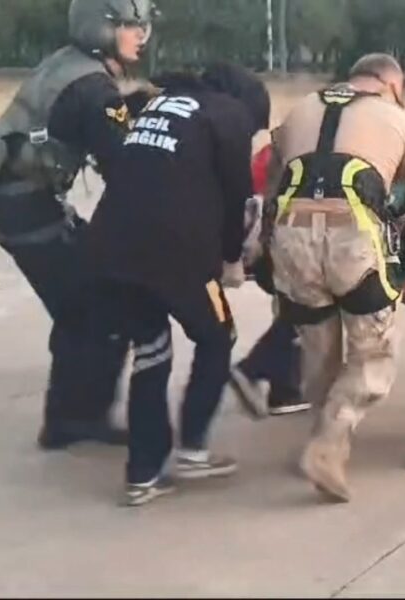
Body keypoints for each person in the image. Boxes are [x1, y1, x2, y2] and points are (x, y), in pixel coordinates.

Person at [0, 0, 155, 450]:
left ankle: (67, 418)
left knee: (79, 307)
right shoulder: (94, 88)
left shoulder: (68, 63)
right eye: (129, 25)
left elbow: (78, 121)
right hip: (28, 210)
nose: (140, 34)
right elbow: (123, 167)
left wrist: (132, 106)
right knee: (106, 304)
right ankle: (78, 419)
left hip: (16, 203)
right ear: (101, 29)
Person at [263, 53, 405, 502]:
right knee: (372, 354)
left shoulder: (300, 109)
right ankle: (329, 443)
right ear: (392, 85)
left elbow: (272, 183)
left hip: (291, 237)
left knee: (319, 347)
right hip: (355, 239)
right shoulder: (398, 119)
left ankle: (320, 437)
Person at [85, 62, 269, 507]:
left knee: (151, 351)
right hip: (178, 254)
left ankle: (143, 473)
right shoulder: (228, 114)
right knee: (218, 337)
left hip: (113, 245)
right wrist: (231, 259)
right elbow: (237, 199)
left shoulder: (158, 103)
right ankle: (193, 450)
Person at [230, 144, 312, 419]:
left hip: (263, 239)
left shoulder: (286, 141)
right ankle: (251, 369)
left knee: (293, 311)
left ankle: (285, 391)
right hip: (277, 239)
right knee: (306, 311)